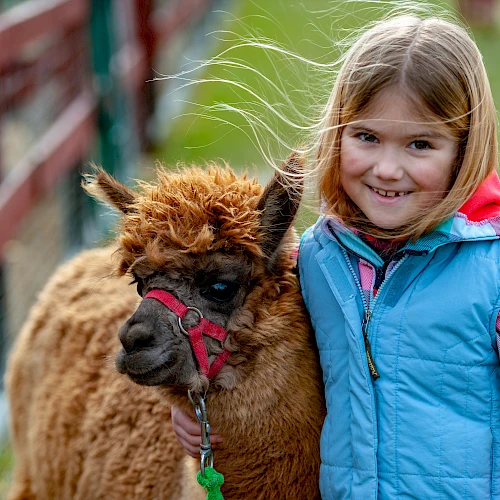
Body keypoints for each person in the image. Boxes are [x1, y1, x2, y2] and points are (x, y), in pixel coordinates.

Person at [171, 11, 500, 499]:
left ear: (465, 150)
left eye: (420, 144)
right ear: (338, 133)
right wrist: (197, 412)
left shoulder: (490, 268)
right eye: (367, 137)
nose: (388, 169)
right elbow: (257, 355)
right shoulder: (318, 262)